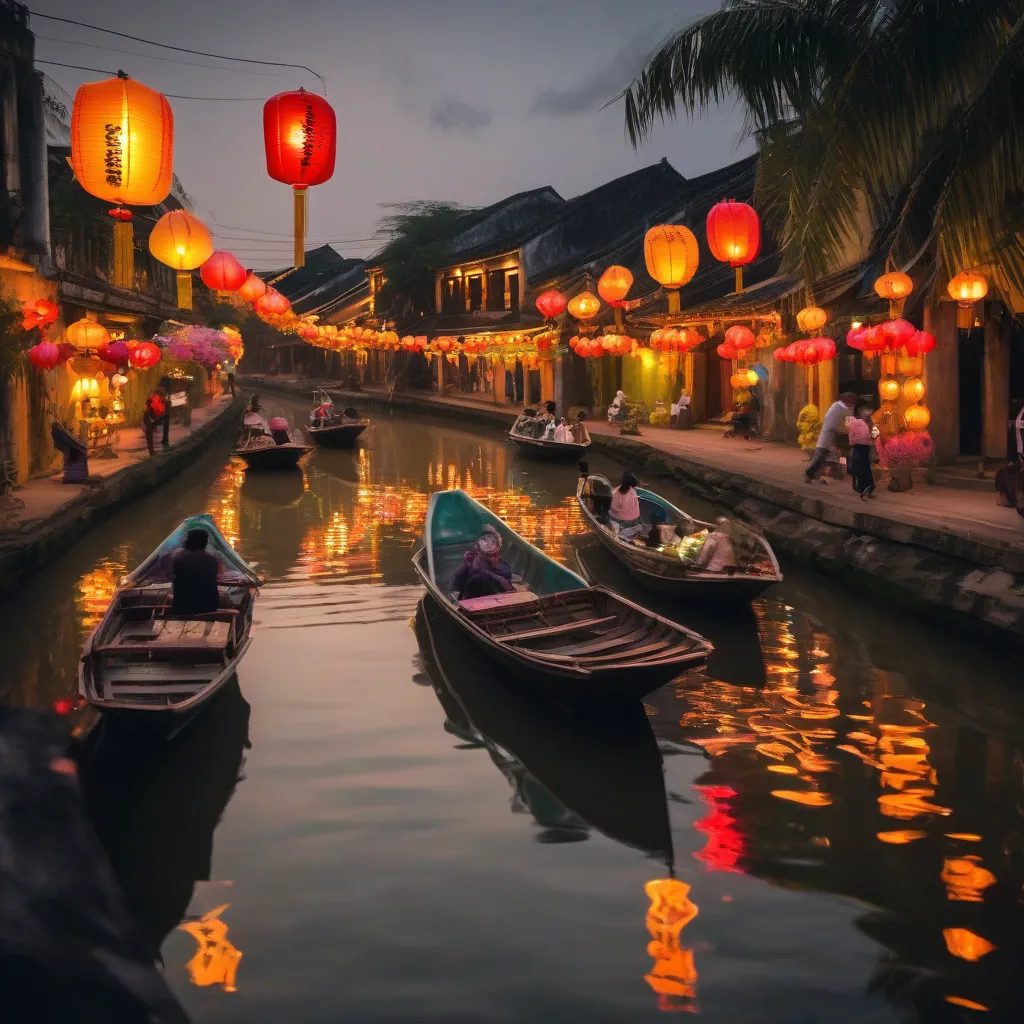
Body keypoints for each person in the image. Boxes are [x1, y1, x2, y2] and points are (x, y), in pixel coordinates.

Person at [805, 392, 857, 483]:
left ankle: (817, 475)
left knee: (829, 459)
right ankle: (808, 474)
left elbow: (849, 421)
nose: (850, 403)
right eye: (849, 401)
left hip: (842, 436)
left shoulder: (850, 409)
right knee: (820, 457)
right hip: (828, 436)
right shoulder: (836, 407)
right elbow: (830, 422)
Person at [451, 525, 515, 600]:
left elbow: (508, 589)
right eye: (485, 540)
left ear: (498, 545)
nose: (489, 543)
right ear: (478, 544)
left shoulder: (504, 566)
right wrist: (466, 565)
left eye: (493, 541)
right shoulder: (474, 560)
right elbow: (456, 583)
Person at [171, 528, 221, 616]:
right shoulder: (212, 560)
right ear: (205, 542)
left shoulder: (179, 559)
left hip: (181, 606)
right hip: (209, 607)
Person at [847, 402, 876, 498]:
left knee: (865, 468)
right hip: (858, 448)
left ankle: (867, 488)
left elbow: (870, 436)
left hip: (864, 448)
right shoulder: (855, 422)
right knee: (862, 469)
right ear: (860, 411)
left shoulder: (866, 422)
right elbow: (856, 438)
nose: (869, 415)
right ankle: (863, 489)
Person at [608, 471, 643, 538]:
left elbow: (613, 507)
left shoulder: (618, 490)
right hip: (632, 519)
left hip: (617, 518)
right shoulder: (633, 492)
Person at [142, 389, 165, 456]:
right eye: (152, 394)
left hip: (149, 421)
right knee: (149, 437)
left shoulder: (150, 402)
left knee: (150, 437)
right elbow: (148, 411)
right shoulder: (150, 402)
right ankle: (151, 451)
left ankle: (151, 451)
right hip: (149, 421)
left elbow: (148, 411)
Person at [158, 376, 172, 448]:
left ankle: (165, 440)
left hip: (165, 408)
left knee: (166, 425)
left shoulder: (162, 389)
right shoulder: (168, 386)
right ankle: (165, 439)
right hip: (166, 408)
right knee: (166, 425)